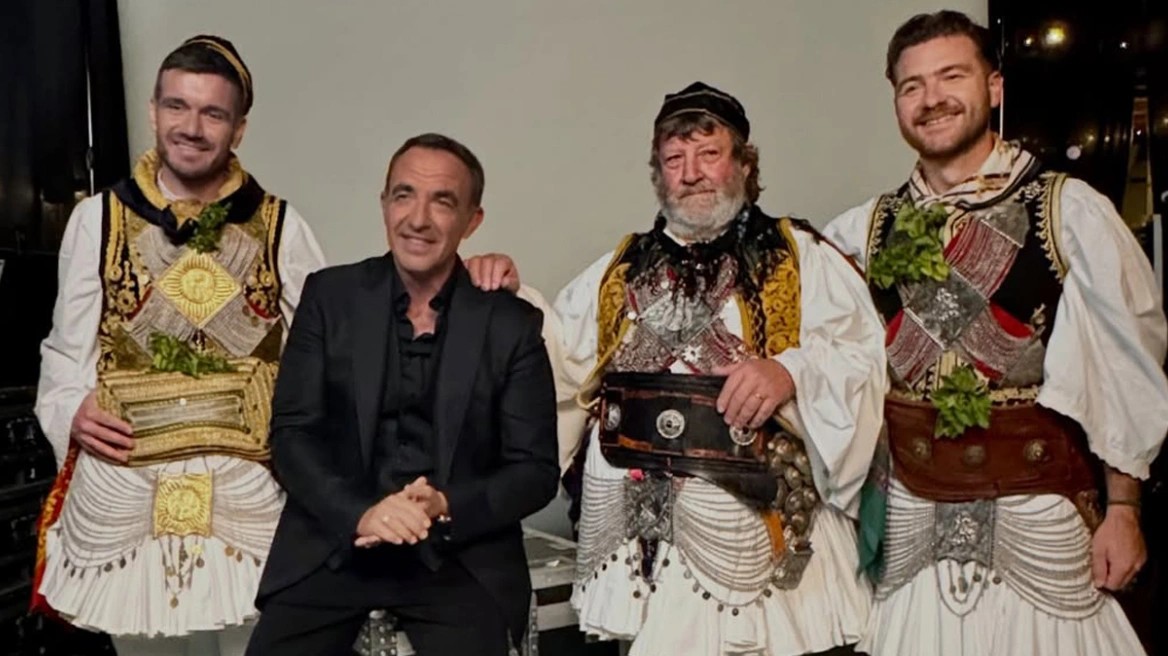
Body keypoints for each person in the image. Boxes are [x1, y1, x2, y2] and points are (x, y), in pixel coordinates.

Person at [483, 81, 887, 655]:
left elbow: (861, 356)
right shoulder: (620, 269)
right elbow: (559, 358)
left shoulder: (799, 257)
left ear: (744, 164)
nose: (691, 173)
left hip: (755, 530)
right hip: (640, 541)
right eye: (674, 159)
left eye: (709, 153)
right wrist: (508, 296)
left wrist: (791, 372)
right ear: (658, 175)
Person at [822, 11, 1168, 656]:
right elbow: (828, 360)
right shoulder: (859, 231)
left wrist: (1125, 509)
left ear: (995, 87)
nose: (932, 99)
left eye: (952, 76)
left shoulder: (1070, 211)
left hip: (1038, 504)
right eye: (912, 86)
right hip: (913, 512)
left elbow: (1125, 367)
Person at [32, 35, 327, 655]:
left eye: (212, 113)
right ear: (153, 110)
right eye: (177, 106)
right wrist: (73, 409)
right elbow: (66, 352)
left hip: (252, 495)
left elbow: (327, 354)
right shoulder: (97, 219)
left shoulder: (283, 226)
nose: (191, 127)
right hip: (126, 489)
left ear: (239, 129)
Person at [245, 133, 559, 656]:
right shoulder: (329, 297)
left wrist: (444, 503)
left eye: (443, 201)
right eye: (404, 195)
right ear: (384, 203)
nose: (418, 218)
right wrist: (361, 514)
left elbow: (535, 471)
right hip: (336, 543)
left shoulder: (511, 324)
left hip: (458, 558)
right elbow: (293, 436)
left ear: (472, 220)